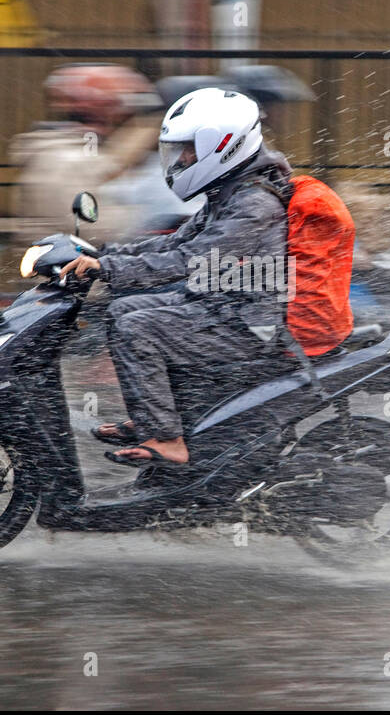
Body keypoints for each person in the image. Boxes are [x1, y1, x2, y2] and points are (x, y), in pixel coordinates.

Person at [59, 87, 293, 466]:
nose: (182, 158)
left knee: (139, 328)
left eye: (190, 149)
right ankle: (153, 418)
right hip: (220, 306)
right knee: (123, 310)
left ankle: (168, 440)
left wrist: (109, 269)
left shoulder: (254, 203)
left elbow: (190, 258)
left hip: (247, 323)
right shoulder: (230, 191)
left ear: (225, 146)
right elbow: (174, 242)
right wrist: (101, 256)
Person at [11, 64, 162, 246]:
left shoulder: (89, 153)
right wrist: (155, 218)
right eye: (117, 107)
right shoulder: (61, 160)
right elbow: (95, 227)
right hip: (69, 269)